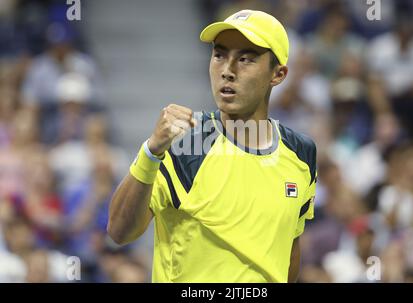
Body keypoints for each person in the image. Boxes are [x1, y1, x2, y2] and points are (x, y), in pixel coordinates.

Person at [108, 10, 317, 283]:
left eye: (245, 59)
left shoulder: (302, 153)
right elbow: (120, 231)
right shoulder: (185, 142)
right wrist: (151, 152)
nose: (228, 71)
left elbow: (288, 248)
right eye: (219, 55)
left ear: (277, 75)